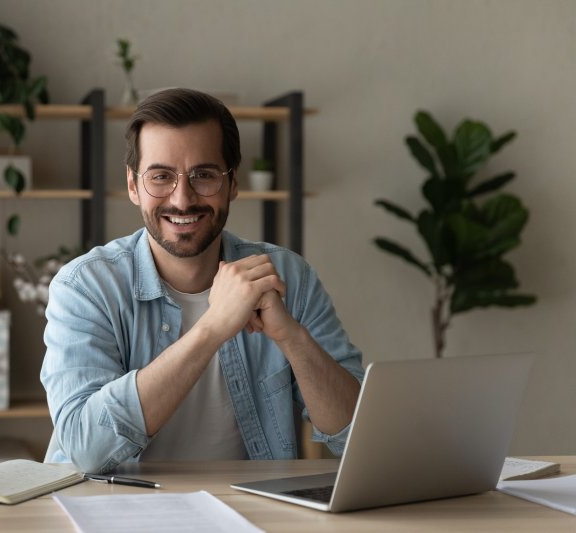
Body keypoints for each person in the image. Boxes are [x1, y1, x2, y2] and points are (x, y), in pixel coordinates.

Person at [41, 88, 364, 473]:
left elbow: (355, 434)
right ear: (132, 185)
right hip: (113, 514)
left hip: (252, 513)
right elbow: (85, 450)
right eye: (160, 176)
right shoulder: (85, 287)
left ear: (233, 184)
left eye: (204, 175)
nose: (182, 199)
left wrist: (291, 337)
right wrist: (212, 327)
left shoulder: (288, 276)